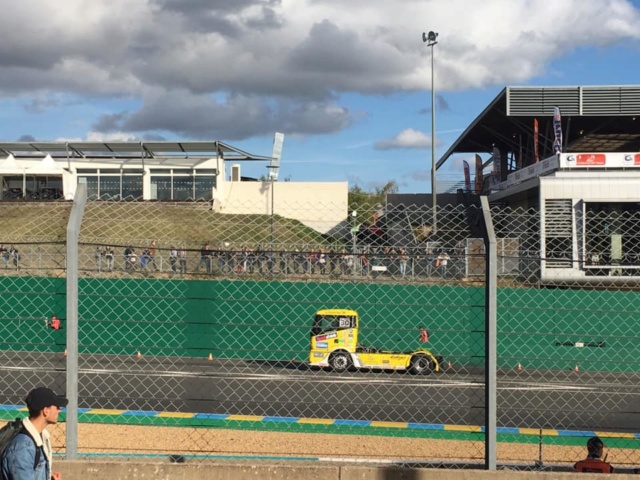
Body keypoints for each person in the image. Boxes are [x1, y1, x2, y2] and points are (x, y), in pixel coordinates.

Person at [1, 386, 68, 480]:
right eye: (56, 407)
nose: (59, 410)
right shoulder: (23, 447)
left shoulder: (37, 437)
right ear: (46, 411)